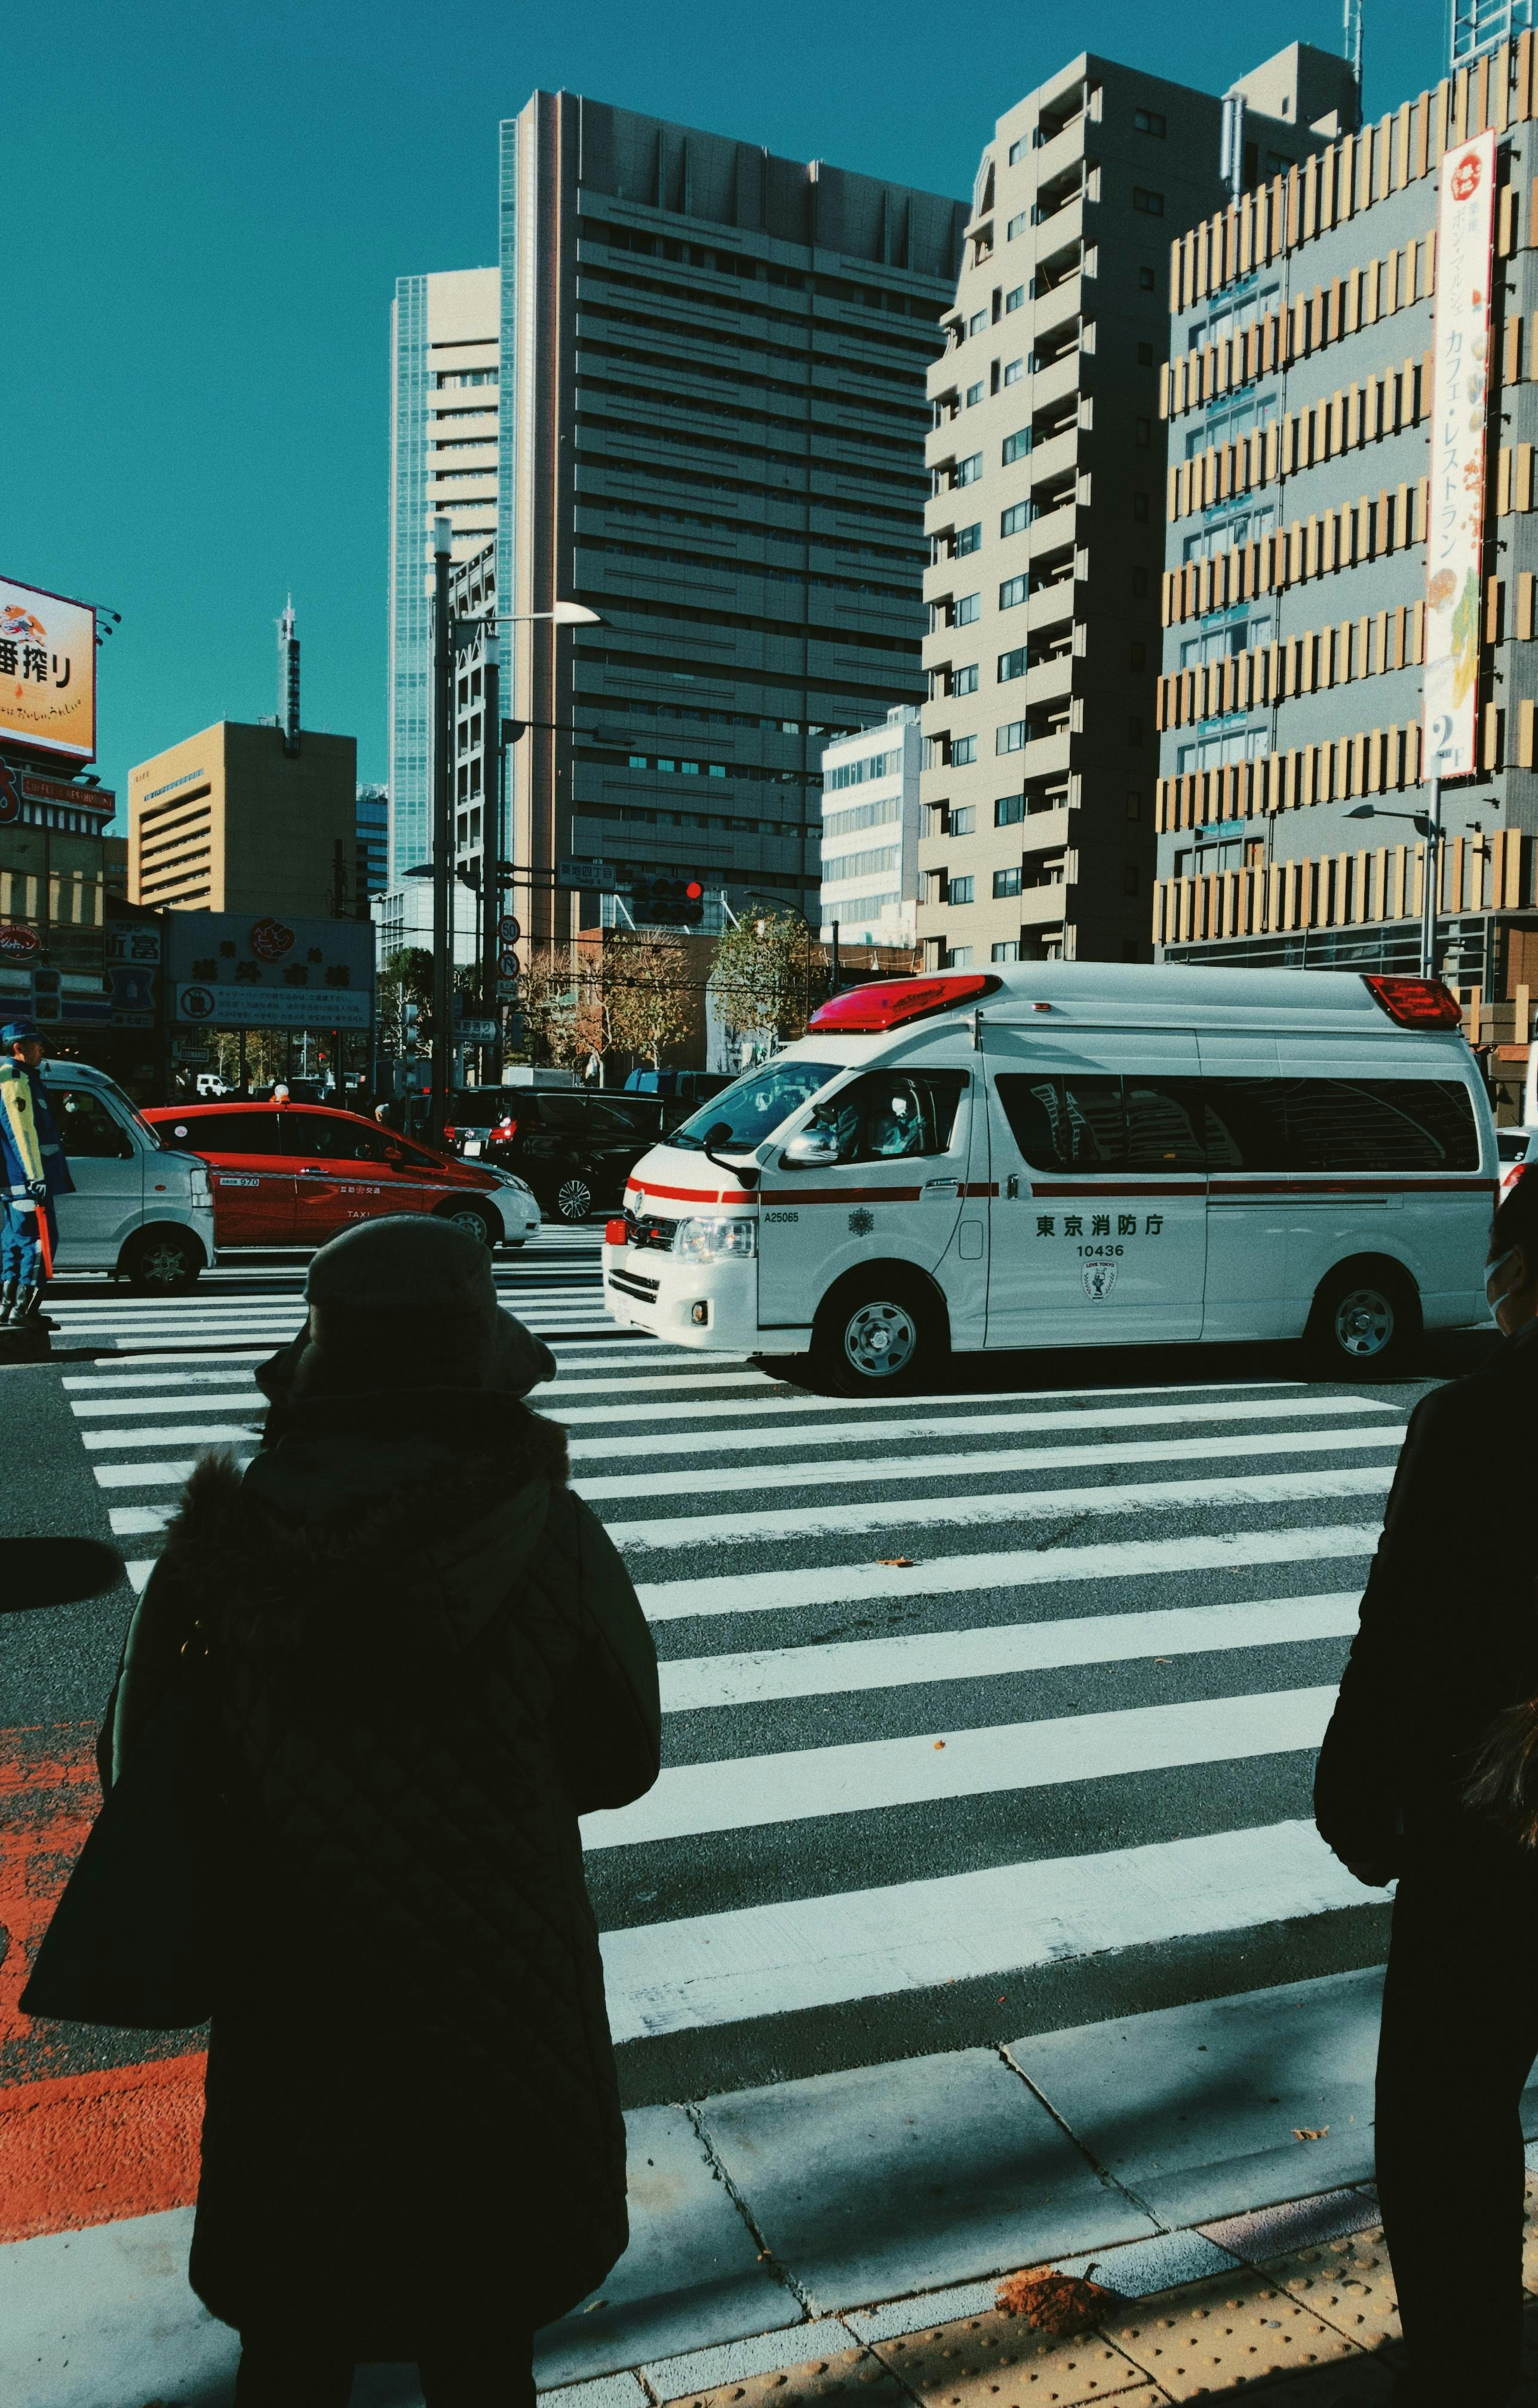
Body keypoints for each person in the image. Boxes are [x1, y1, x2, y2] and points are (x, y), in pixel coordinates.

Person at [98, 1215, 661, 2405]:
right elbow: (622, 1759)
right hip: (498, 2008)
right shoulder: (548, 1538)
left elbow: (137, 1767)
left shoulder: (221, 1551)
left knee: (297, 2341)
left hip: (299, 2003)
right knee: (479, 2341)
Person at [1314, 1168, 1538, 2408]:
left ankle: (1466, 2369)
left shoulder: (1470, 1427)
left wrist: (1357, 1800)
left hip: (1493, 1833)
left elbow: (1399, 1642)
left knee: (1446, 2117)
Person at [0, 1015, 74, 1325]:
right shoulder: (15, 1078)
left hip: (15, 1182)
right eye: (36, 1044)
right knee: (38, 1241)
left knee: (15, 1241)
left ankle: (8, 1307)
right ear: (19, 1047)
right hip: (27, 1180)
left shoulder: (14, 1075)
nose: (41, 1049)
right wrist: (36, 1176)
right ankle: (24, 1310)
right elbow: (22, 1132)